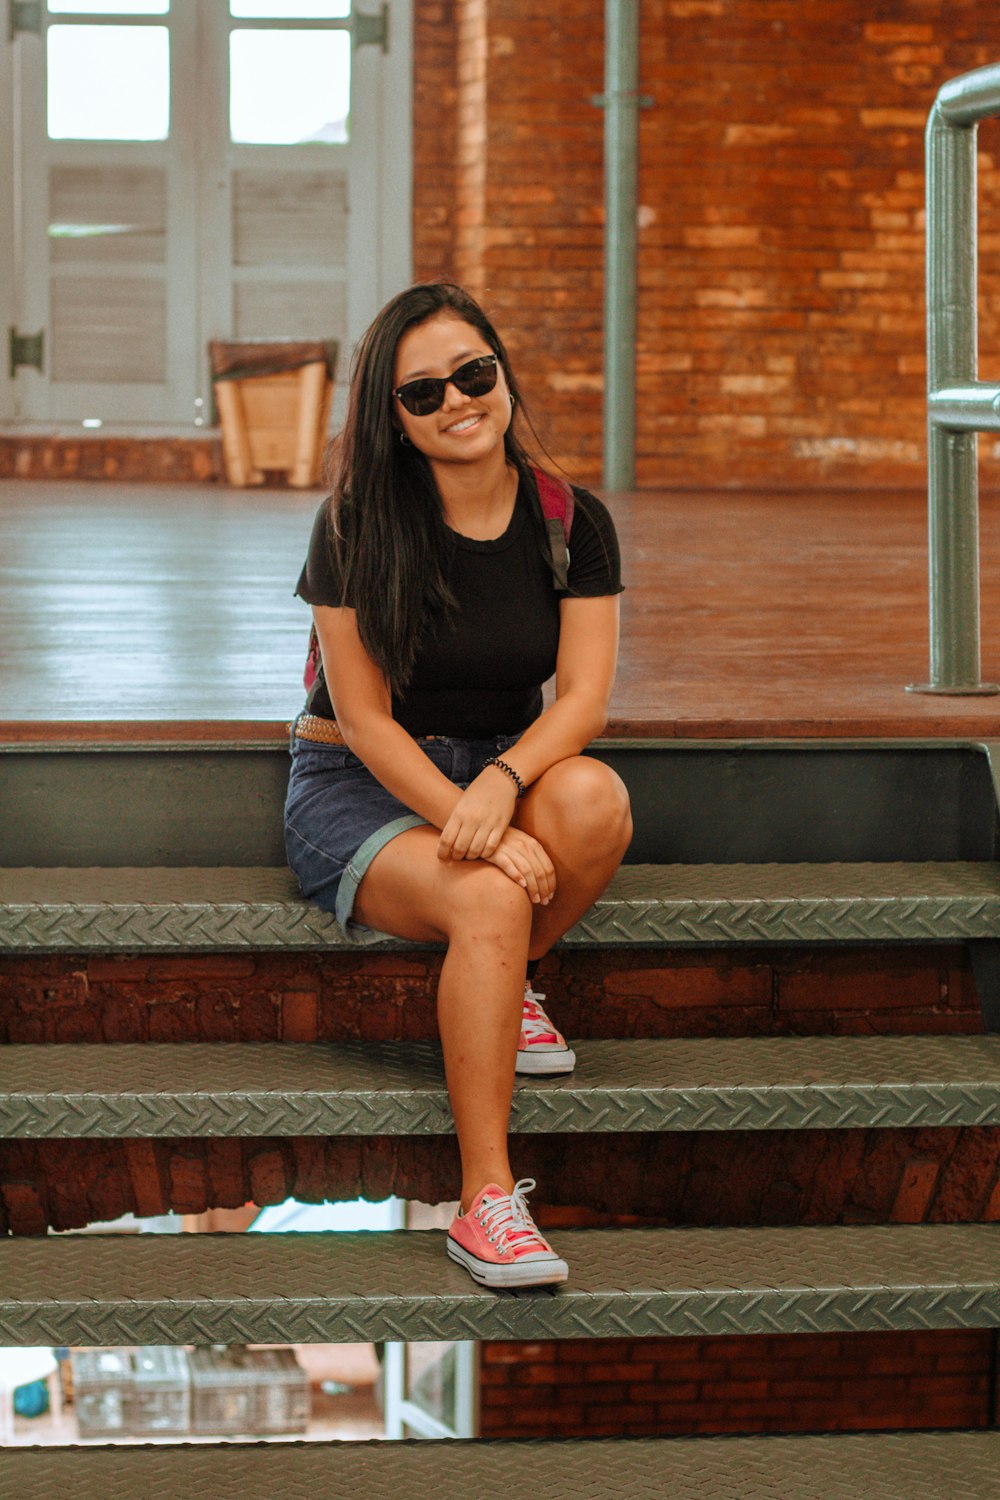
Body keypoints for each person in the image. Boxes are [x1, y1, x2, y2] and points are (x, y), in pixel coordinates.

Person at [284, 281, 632, 1290]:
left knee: (594, 799)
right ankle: (484, 1202)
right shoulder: (353, 524)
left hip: (496, 758)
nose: (457, 404)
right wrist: (466, 818)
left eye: (473, 376)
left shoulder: (570, 518)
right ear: (391, 418)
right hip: (358, 777)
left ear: (502, 373)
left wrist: (506, 782)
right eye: (422, 393)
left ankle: (507, 979)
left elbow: (584, 700)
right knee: (486, 890)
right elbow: (362, 718)